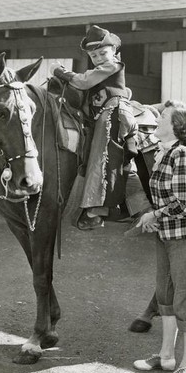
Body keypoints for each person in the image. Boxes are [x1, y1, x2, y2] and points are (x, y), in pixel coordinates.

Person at [133, 102, 186, 373]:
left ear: (177, 127)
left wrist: (155, 214)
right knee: (166, 297)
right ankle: (166, 356)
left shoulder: (183, 155)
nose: (157, 118)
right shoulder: (164, 152)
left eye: (163, 116)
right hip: (167, 235)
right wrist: (157, 219)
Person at [51, 25, 140, 230]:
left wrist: (59, 71)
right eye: (94, 55)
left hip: (112, 114)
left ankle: (97, 210)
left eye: (102, 53)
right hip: (103, 113)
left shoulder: (112, 66)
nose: (99, 57)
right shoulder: (101, 70)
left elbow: (83, 82)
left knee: (102, 155)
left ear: (114, 52)